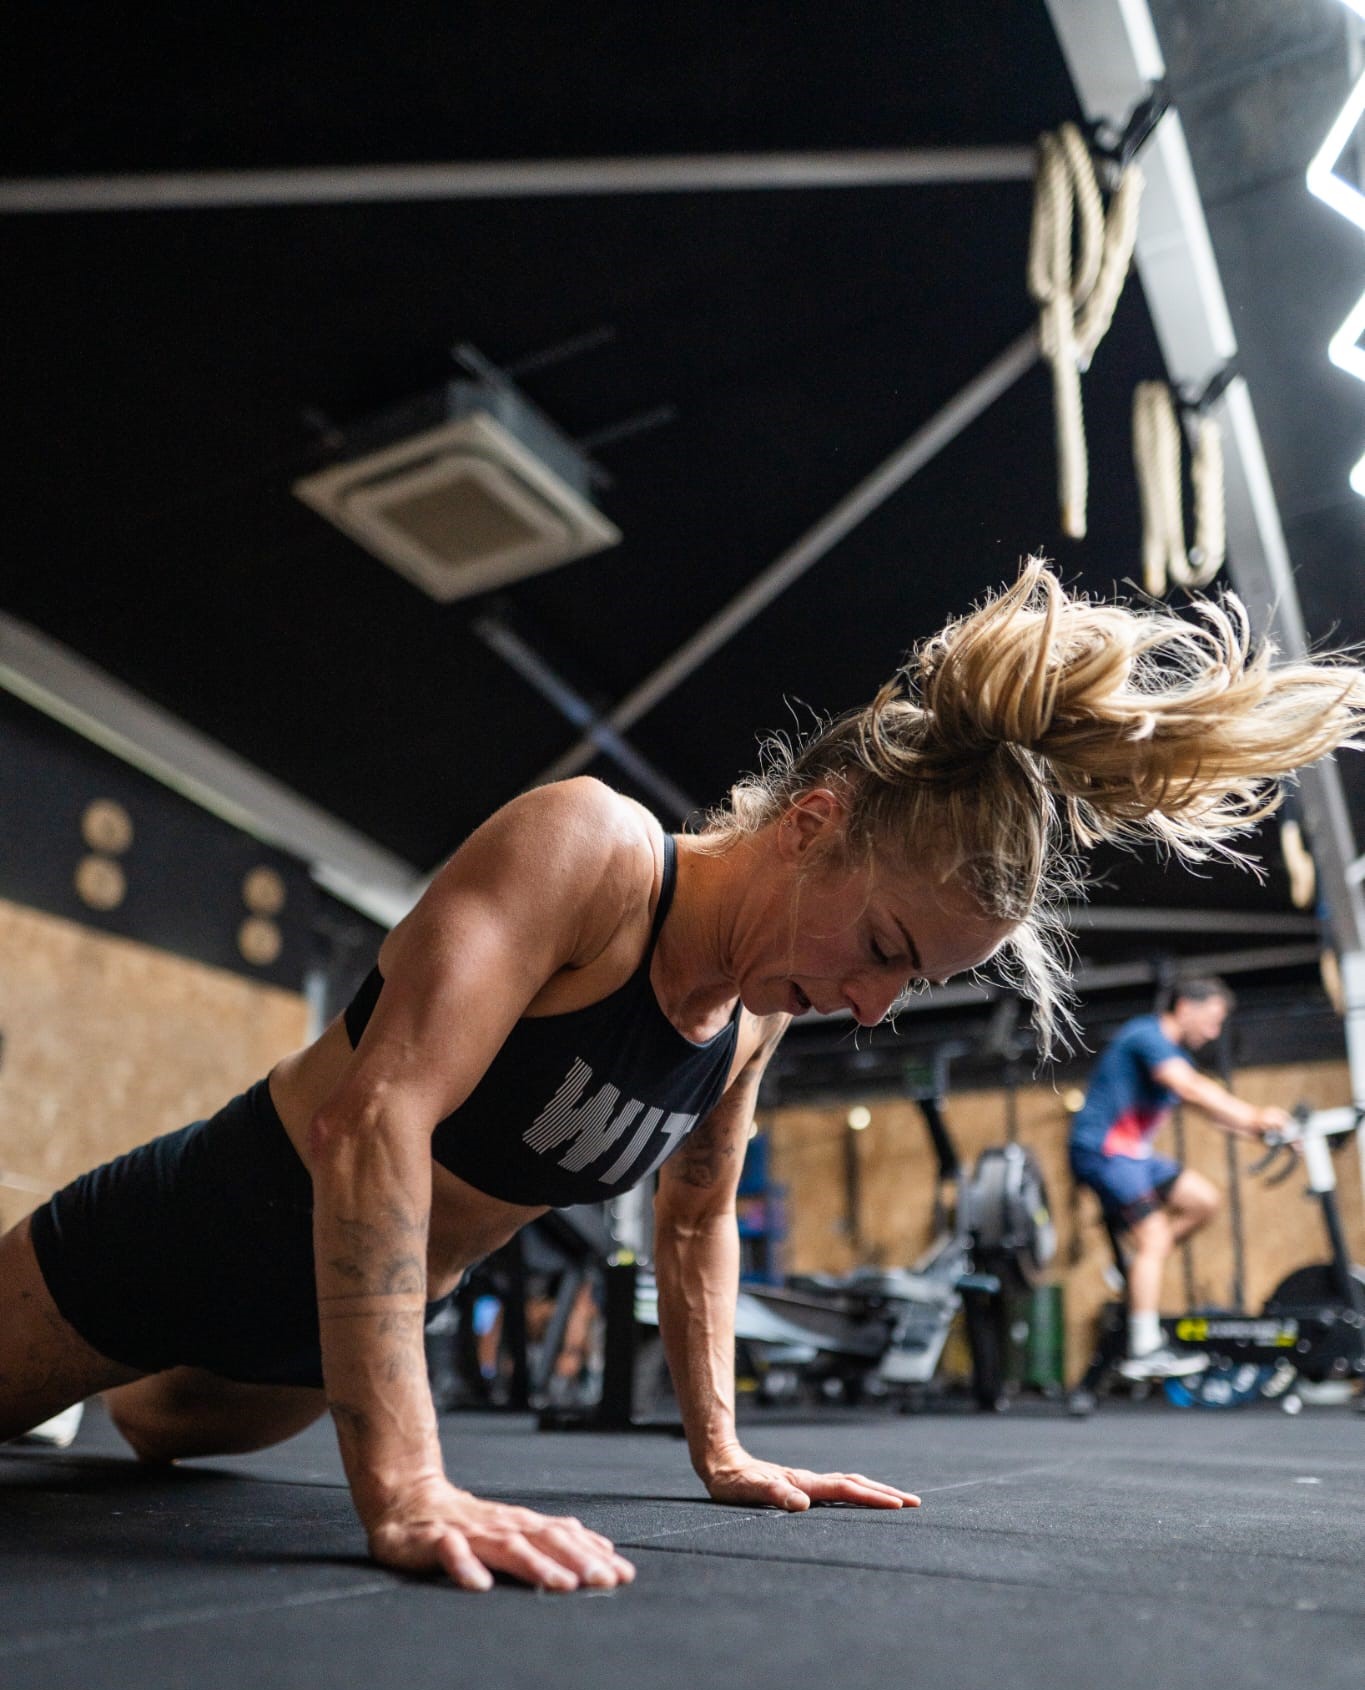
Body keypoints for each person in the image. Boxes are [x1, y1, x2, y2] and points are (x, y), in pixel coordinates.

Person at [2, 562, 1361, 1589]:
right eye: (885, 949)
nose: (873, 1007)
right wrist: (407, 1484)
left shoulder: (753, 1018)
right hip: (195, 1232)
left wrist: (722, 1447)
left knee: (150, 1433)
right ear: (814, 823)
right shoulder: (593, 857)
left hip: (320, 1336)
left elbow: (699, 1215)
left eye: (911, 988)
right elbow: (374, 1117)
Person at [1068, 976, 1290, 1379]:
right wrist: (1257, 1115)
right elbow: (1192, 1090)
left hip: (1136, 1157)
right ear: (1185, 1006)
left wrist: (1264, 1132)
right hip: (1103, 1152)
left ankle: (1136, 1269)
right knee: (1154, 1237)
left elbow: (1212, 1112)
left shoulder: (1173, 1055)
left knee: (1203, 1201)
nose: (1214, 1031)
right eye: (1213, 1019)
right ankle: (1143, 1347)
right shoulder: (1146, 1035)